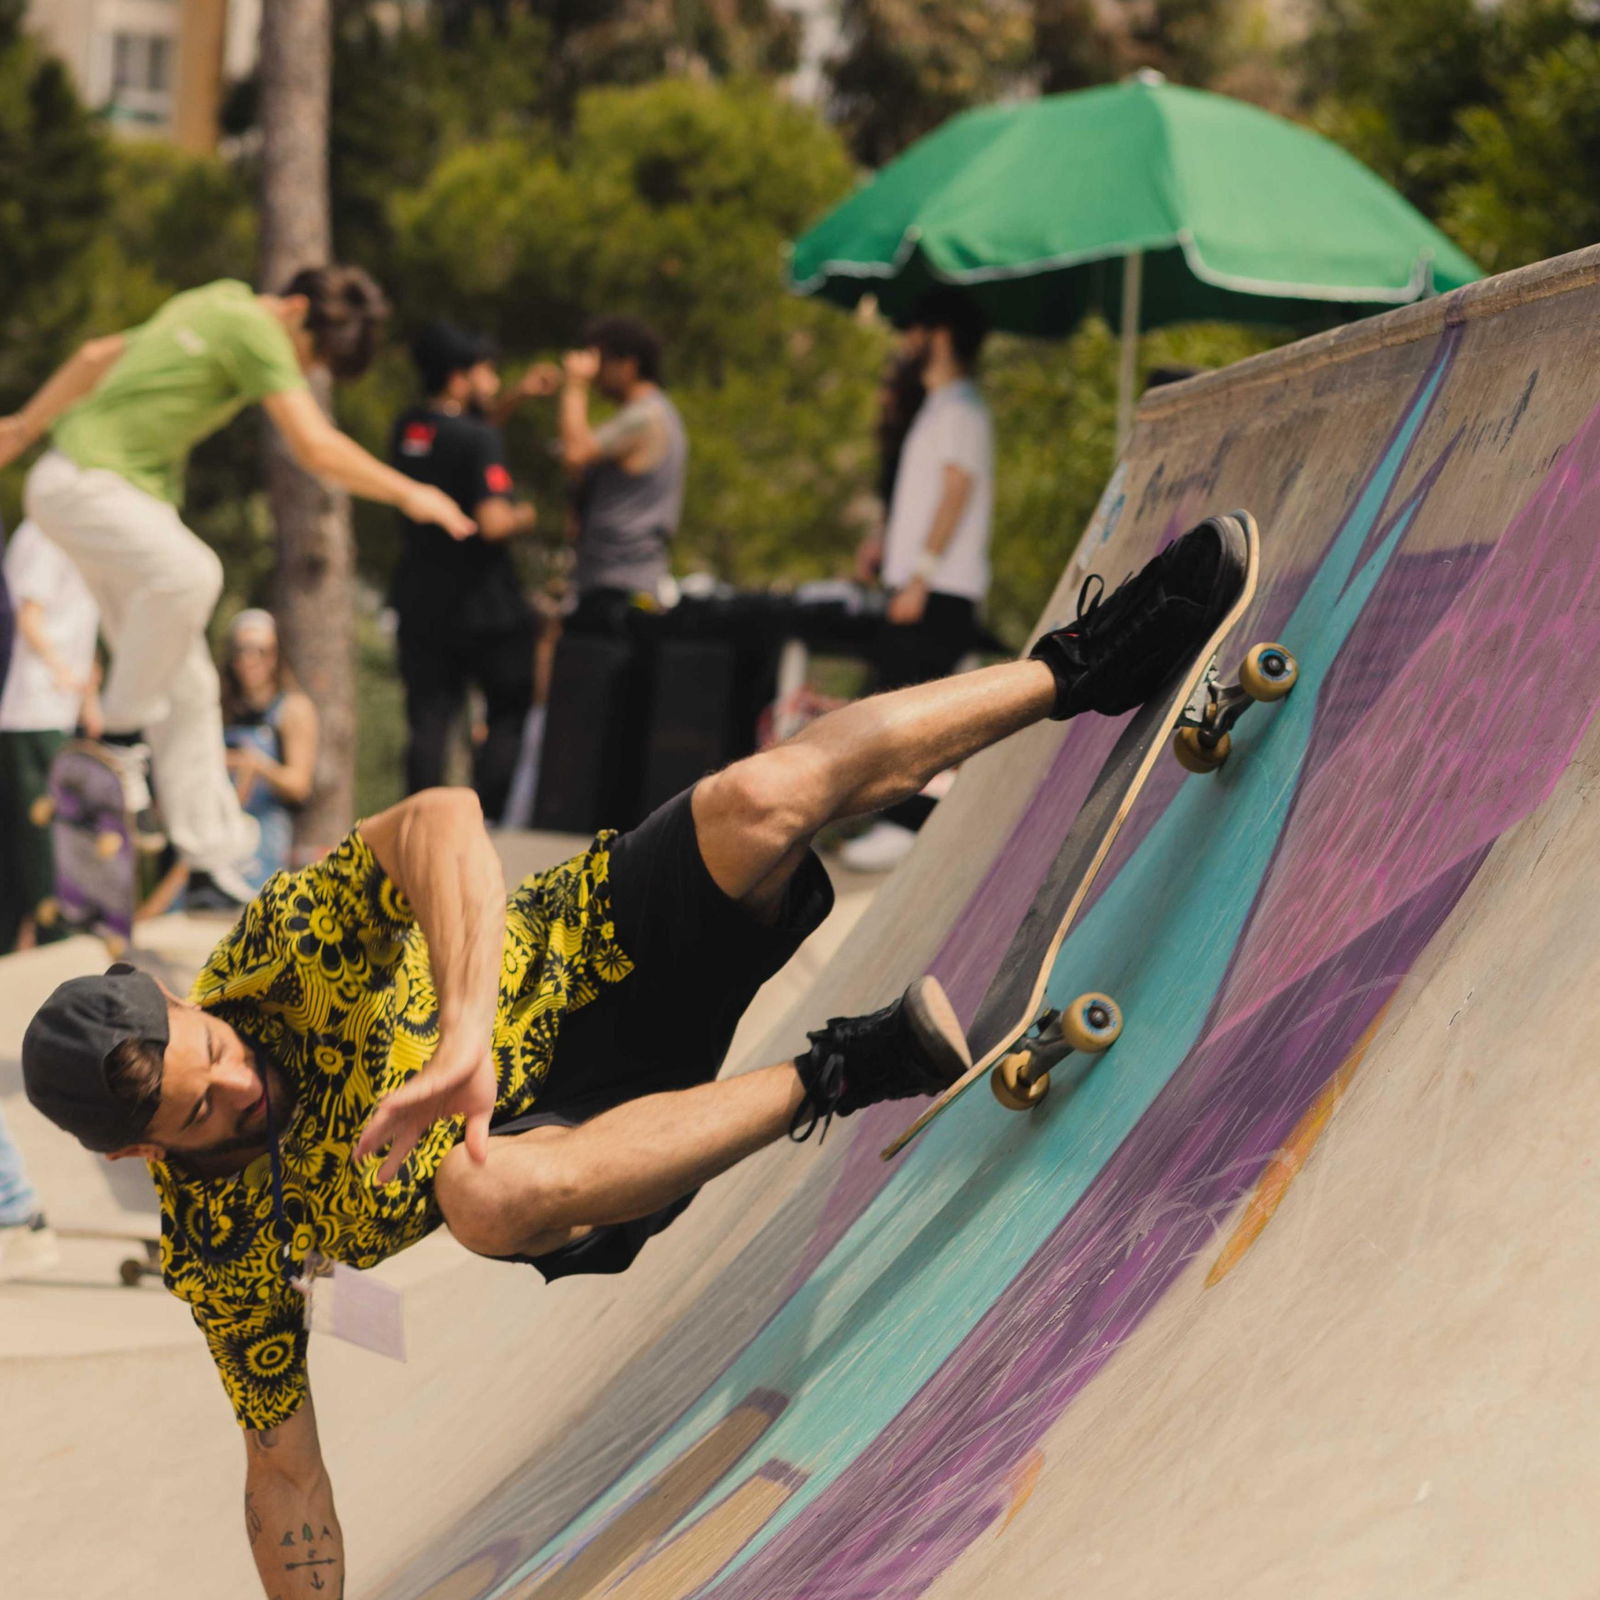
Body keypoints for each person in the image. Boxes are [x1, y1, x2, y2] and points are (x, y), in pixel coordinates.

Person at [19, 513, 1247, 1599]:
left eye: (215, 1048)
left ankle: (1081, 667)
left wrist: (462, 1035)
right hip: (583, 1153)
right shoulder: (217, 1252)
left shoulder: (275, 950)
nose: (240, 1081)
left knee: (756, 798)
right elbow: (280, 1470)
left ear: (188, 1000)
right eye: (200, 1112)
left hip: (595, 936)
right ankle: (846, 1070)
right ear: (141, 1151)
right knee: (478, 1189)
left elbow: (440, 820)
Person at [0, 269, 475, 908]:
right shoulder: (256, 328)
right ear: (297, 309)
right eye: (312, 356)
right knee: (194, 573)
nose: (304, 372)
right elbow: (316, 447)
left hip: (108, 497)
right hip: (90, 485)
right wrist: (411, 491)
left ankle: (210, 856)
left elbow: (98, 355)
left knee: (190, 684)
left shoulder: (211, 299)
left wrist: (24, 426)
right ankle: (115, 743)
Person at [844, 288, 996, 872]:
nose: (904, 342)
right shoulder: (937, 408)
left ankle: (908, 828)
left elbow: (957, 493)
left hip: (941, 591)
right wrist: (886, 545)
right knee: (894, 700)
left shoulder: (961, 407)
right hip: (919, 586)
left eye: (913, 329)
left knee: (912, 714)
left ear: (939, 335)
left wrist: (921, 578)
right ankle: (896, 823)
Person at [389, 322, 548, 822]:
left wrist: (518, 397)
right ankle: (485, 821)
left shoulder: (408, 428)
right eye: (486, 370)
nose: (496, 379)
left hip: (420, 599)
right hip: (484, 607)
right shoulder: (478, 439)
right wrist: (527, 513)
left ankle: (416, 828)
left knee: (429, 723)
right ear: (460, 378)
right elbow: (493, 521)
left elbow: (465, 434)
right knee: (508, 708)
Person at [0, 518, 101, 953]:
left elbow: (83, 628)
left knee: (48, 831)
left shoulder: (83, 537)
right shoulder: (43, 533)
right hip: (29, 709)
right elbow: (29, 616)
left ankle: (39, 935)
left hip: (59, 710)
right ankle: (51, 936)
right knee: (41, 833)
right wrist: (62, 669)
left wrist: (88, 697)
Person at [558, 316, 688, 632]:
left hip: (619, 585)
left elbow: (575, 453)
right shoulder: (652, 414)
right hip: (616, 579)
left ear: (628, 365)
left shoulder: (644, 417)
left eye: (600, 363)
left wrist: (575, 384)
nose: (596, 375)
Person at [221, 609, 318, 890]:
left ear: (275, 655)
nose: (249, 660)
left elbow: (299, 783)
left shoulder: (293, 709)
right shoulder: (220, 708)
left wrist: (256, 765)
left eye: (260, 651)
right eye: (241, 650)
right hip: (220, 832)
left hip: (266, 838)